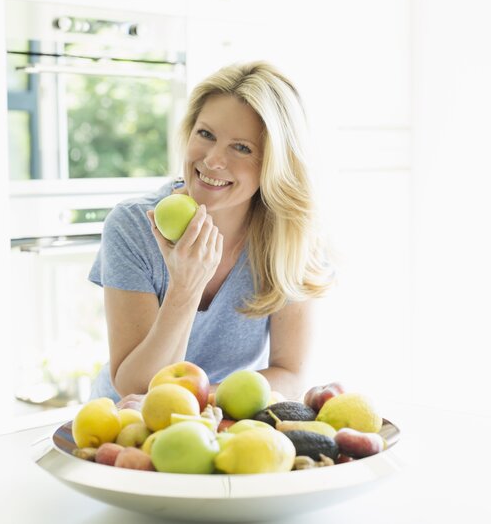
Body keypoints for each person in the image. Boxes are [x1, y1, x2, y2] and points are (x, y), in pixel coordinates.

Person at [88, 61, 333, 404]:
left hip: (233, 422)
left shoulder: (290, 235)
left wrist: (201, 401)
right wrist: (184, 288)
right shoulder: (133, 226)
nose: (213, 160)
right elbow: (135, 385)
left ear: (274, 164)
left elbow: (290, 374)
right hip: (131, 426)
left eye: (242, 147)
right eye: (206, 134)